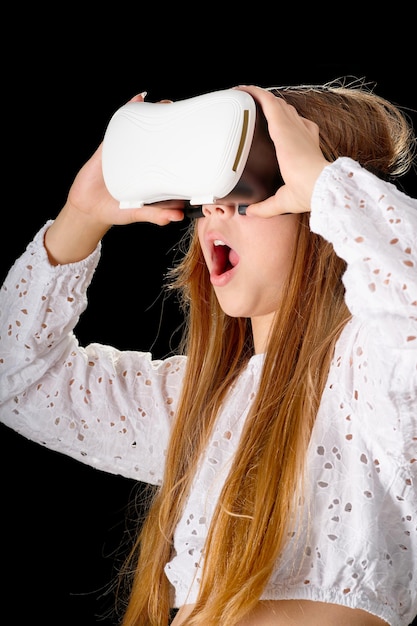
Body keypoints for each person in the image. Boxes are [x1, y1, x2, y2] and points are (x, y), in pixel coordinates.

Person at [0, 80, 416, 626]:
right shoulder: (196, 403)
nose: (217, 207)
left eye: (251, 191)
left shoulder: (366, 379)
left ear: (325, 214)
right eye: (211, 193)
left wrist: (325, 184)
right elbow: (17, 379)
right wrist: (82, 215)